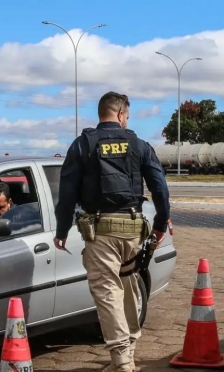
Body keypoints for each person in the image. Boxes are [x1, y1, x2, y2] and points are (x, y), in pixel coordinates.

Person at [53, 91, 170, 372]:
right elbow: (160, 188)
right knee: (128, 286)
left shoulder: (83, 145)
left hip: (101, 231)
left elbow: (67, 193)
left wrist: (61, 229)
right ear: (120, 114)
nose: (127, 121)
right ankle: (128, 348)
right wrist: (160, 224)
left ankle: (122, 363)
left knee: (107, 292)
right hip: (133, 230)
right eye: (127, 116)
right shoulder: (139, 145)